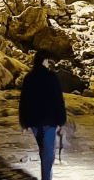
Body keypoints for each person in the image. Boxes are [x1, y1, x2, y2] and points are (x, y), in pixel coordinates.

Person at [19, 50, 67, 180]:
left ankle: (46, 176)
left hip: (34, 120)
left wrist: (24, 123)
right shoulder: (51, 77)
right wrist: (62, 122)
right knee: (48, 154)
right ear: (44, 61)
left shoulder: (29, 78)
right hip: (49, 121)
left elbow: (24, 101)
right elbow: (58, 101)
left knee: (43, 150)